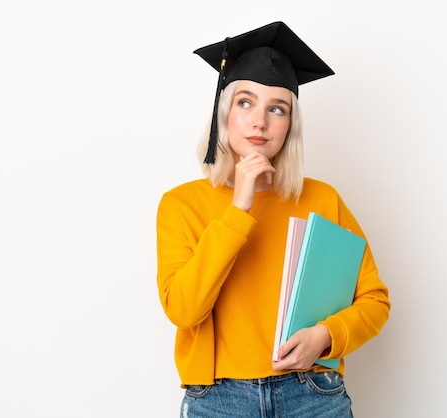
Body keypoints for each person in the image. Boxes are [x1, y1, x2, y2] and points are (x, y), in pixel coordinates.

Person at [156, 21, 391, 417]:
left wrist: (325, 336)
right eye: (245, 102)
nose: (259, 121)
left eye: (276, 109)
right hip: (218, 401)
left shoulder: (321, 199)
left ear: (289, 126)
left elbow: (374, 300)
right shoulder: (182, 204)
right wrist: (239, 208)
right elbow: (183, 310)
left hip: (313, 394)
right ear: (224, 113)